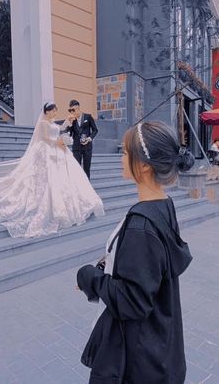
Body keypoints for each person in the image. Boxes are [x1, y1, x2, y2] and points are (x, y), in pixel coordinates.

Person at [76, 121, 194, 384]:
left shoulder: (142, 225)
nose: (121, 157)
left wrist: (88, 277)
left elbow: (132, 301)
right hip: (160, 346)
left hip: (136, 358)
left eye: (126, 153)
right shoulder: (163, 204)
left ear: (143, 165)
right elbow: (147, 270)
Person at [0, 102, 104, 238]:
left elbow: (59, 129)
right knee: (47, 179)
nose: (54, 114)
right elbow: (45, 138)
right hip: (47, 151)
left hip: (58, 150)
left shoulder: (51, 122)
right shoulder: (42, 123)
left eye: (55, 111)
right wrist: (57, 142)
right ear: (47, 111)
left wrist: (66, 125)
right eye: (53, 111)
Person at [67, 99, 98, 179]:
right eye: (70, 110)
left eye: (73, 110)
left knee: (86, 169)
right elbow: (70, 133)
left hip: (87, 147)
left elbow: (95, 130)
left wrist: (89, 138)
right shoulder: (72, 120)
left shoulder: (88, 117)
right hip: (76, 147)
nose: (71, 112)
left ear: (78, 108)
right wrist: (69, 124)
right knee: (77, 169)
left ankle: (87, 189)